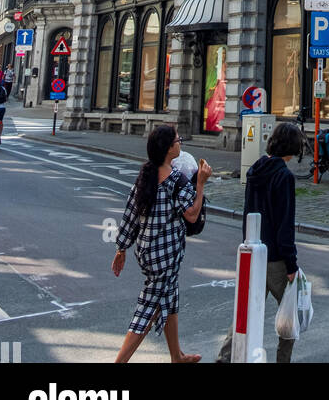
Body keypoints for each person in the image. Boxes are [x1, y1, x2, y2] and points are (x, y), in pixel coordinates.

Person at [111, 123, 211, 363]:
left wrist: (121, 248)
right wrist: (200, 183)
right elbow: (192, 215)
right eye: (177, 141)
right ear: (168, 149)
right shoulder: (176, 180)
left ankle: (177, 356)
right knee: (149, 307)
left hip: (146, 251)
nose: (180, 143)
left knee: (170, 298)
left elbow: (130, 213)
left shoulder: (146, 174)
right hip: (166, 253)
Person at [216, 120, 303, 364]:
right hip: (275, 257)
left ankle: (224, 357)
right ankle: (282, 360)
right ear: (293, 146)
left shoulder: (255, 170)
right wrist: (291, 264)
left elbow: (248, 212)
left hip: (253, 251)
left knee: (245, 311)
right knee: (290, 313)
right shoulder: (283, 176)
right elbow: (284, 224)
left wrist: (249, 243)